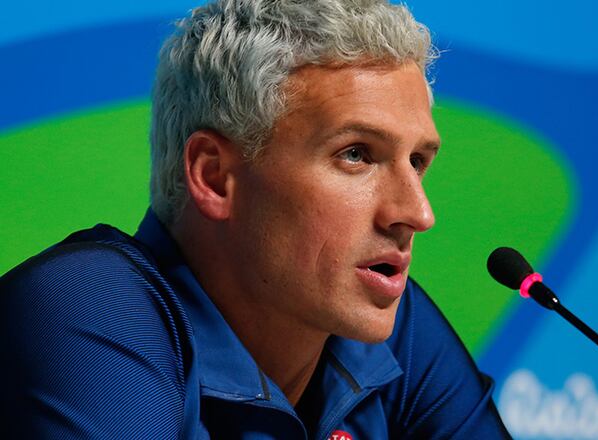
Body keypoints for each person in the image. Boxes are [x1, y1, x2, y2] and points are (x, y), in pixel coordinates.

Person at [1, 0, 511, 438]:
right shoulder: (92, 306)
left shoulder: (387, 325)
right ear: (215, 177)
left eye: (418, 162)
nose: (417, 213)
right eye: (357, 154)